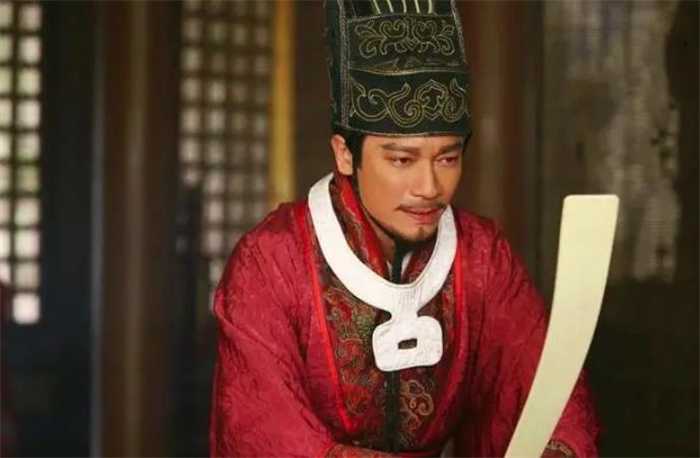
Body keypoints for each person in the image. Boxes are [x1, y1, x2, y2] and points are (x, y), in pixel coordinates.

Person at [210, 0, 599, 456]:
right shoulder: (272, 260)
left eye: (448, 158)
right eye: (401, 160)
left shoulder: (482, 257)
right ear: (345, 154)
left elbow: (544, 390)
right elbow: (262, 431)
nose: (429, 187)